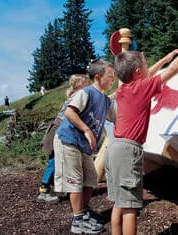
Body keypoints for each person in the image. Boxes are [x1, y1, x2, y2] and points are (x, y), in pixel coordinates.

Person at [104, 38, 178, 235]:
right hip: (129, 150)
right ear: (138, 73)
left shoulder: (123, 90)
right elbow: (171, 73)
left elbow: (150, 73)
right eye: (145, 65)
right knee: (130, 206)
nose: (148, 68)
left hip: (113, 148)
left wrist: (165, 58)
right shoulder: (141, 88)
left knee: (119, 202)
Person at [54, 60, 116, 234]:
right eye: (110, 77)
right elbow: (69, 111)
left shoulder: (105, 100)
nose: (113, 80)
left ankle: (84, 211)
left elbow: (116, 117)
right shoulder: (86, 92)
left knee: (91, 178)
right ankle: (77, 221)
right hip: (69, 139)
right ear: (98, 77)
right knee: (75, 180)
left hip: (84, 146)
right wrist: (86, 129)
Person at [36, 74, 90, 204]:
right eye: (86, 83)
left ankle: (57, 186)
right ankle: (44, 190)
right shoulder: (77, 96)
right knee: (54, 160)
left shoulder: (78, 95)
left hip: (61, 130)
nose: (88, 85)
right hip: (58, 130)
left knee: (60, 160)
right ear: (79, 85)